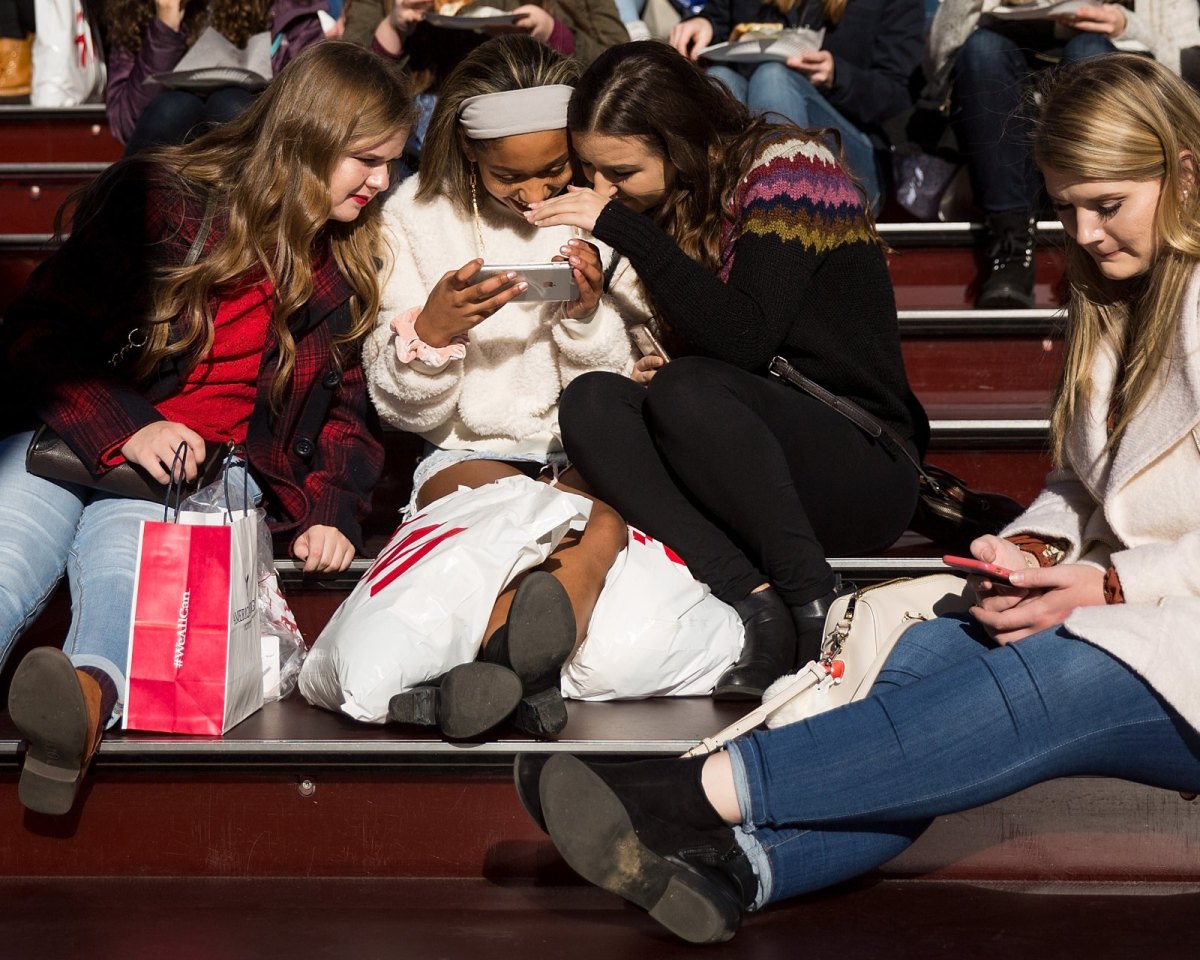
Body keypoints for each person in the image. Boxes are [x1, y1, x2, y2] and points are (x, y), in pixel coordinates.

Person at [518, 52, 1200, 944]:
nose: (1084, 231)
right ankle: (746, 871)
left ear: (1184, 171)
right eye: (1065, 207)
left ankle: (694, 796)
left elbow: (748, 337)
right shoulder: (1113, 302)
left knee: (1063, 674)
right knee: (931, 654)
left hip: (1149, 610)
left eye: (1105, 204)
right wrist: (1029, 551)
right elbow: (1078, 488)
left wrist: (1113, 588)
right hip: (1137, 598)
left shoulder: (788, 171)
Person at [0, 40, 414, 816]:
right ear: (309, 136)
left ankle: (76, 715)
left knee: (130, 587)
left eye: (392, 161)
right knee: (3, 561)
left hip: (192, 473)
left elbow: (347, 417)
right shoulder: (167, 200)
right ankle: (74, 708)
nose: (383, 181)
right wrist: (132, 424)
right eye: (366, 159)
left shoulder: (346, 260)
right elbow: (35, 332)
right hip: (74, 433)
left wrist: (330, 511)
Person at [525, 41, 927, 700]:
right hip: (750, 465)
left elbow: (745, 337)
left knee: (690, 387)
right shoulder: (672, 206)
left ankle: (815, 603)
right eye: (591, 171)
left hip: (863, 463)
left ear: (684, 143)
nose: (603, 191)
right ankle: (756, 601)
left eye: (620, 172)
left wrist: (624, 231)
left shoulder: (793, 172)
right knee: (593, 402)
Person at [364, 35, 648, 740]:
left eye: (552, 171)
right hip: (468, 453)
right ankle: (524, 678)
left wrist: (587, 318)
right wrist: (430, 333)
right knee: (523, 516)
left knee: (601, 518)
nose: (531, 194)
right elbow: (401, 407)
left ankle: (490, 675)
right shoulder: (412, 217)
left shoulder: (601, 210)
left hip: (580, 448)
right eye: (504, 177)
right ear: (467, 156)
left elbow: (622, 384)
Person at [925, 0, 1187, 307]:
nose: (1086, 234)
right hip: (1001, 96)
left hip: (1115, 86)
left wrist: (1125, 25)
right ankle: (1011, 242)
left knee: (1088, 51)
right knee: (984, 49)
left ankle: (1093, 242)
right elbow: (937, 63)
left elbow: (1178, 69)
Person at [669, 0, 925, 212]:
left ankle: (786, 220)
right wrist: (707, 23)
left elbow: (897, 96)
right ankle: (713, 218)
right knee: (721, 80)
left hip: (855, 163)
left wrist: (837, 76)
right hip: (750, 125)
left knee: (773, 77)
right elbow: (721, 19)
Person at [104, 0, 333, 153]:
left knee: (231, 104)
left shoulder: (282, 8)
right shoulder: (135, 10)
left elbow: (315, 106)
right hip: (167, 168)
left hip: (248, 173)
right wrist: (165, 26)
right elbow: (127, 126)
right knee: (175, 107)